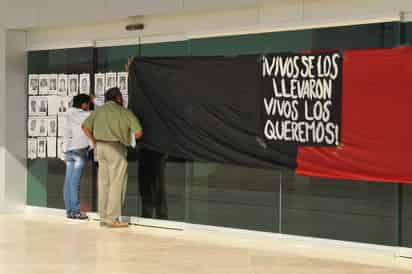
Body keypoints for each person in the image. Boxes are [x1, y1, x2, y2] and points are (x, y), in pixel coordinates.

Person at [82, 87, 143, 228]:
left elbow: (84, 127)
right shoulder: (124, 112)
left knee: (103, 183)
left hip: (100, 148)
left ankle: (103, 217)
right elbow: (139, 133)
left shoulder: (99, 111)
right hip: (116, 148)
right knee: (117, 183)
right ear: (118, 98)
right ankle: (113, 219)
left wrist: (95, 142)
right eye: (121, 97)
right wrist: (127, 136)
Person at [63, 94, 94, 220]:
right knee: (74, 183)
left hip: (68, 151)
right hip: (79, 151)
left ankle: (70, 211)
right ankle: (76, 212)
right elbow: (104, 109)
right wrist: (95, 99)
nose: (88, 106)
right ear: (83, 104)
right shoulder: (86, 115)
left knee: (68, 182)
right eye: (88, 103)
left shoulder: (68, 114)